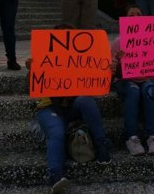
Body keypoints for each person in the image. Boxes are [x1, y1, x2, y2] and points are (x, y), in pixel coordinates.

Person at [30, 24, 112, 193]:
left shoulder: (81, 60)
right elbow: (33, 86)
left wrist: (109, 71)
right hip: (49, 108)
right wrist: (32, 70)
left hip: (73, 106)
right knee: (57, 132)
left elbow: (97, 82)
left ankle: (102, 145)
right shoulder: (45, 59)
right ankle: (56, 176)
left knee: (85, 100)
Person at [111, 5, 154, 156]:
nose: (135, 17)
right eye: (131, 15)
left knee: (149, 90)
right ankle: (131, 137)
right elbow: (111, 70)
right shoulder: (118, 42)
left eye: (138, 14)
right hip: (126, 80)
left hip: (150, 77)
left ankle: (153, 137)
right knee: (133, 91)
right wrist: (118, 62)